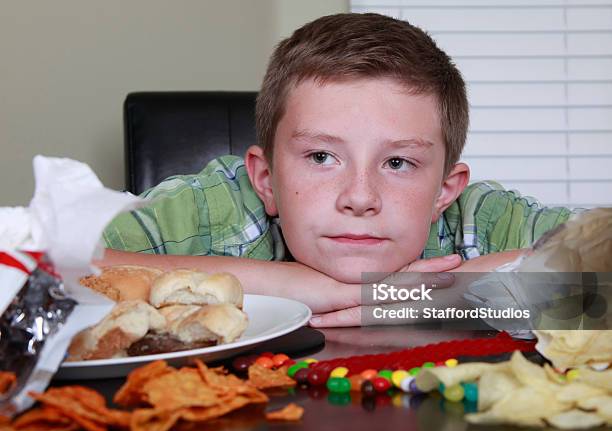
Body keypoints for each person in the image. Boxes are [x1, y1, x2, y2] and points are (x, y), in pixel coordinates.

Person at [98, 13, 572, 327]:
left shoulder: (479, 219)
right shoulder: (212, 209)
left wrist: (428, 296)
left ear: (444, 193)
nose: (360, 197)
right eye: (322, 157)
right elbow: (40, 271)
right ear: (266, 181)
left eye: (398, 162)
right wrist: (289, 287)